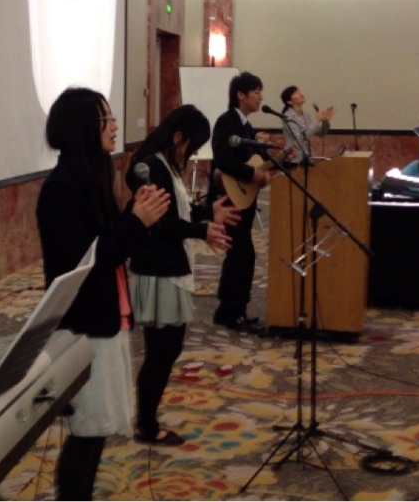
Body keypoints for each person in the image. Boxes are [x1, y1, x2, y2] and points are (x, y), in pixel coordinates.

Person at [36, 87, 170, 500]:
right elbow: (83, 263)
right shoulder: (61, 188)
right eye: (105, 119)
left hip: (105, 314)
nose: (115, 126)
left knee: (95, 431)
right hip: (82, 324)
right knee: (87, 430)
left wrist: (134, 215)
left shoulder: (92, 176)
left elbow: (110, 242)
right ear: (83, 128)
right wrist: (135, 222)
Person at [125, 105, 238, 447]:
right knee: (161, 351)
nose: (191, 155)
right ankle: (146, 425)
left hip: (169, 267)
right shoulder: (150, 167)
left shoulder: (164, 165)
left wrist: (207, 212)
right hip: (159, 270)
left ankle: (147, 419)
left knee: (165, 350)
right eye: (192, 147)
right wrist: (202, 230)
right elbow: (159, 223)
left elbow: (178, 211)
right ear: (177, 137)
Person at [208, 71, 271, 333]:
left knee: (240, 253)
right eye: (255, 92)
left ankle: (229, 310)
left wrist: (266, 152)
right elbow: (223, 160)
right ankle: (233, 312)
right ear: (241, 95)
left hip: (244, 198)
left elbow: (250, 161)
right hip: (228, 198)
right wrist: (251, 174)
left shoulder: (246, 127)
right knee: (241, 254)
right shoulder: (227, 122)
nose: (260, 97)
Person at [279, 86, 334, 165]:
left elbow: (320, 133)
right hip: (294, 159)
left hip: (307, 157)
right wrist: (316, 120)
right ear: (289, 101)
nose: (300, 94)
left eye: (299, 91)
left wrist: (326, 121)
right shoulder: (287, 116)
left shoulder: (305, 113)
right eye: (296, 93)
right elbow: (301, 138)